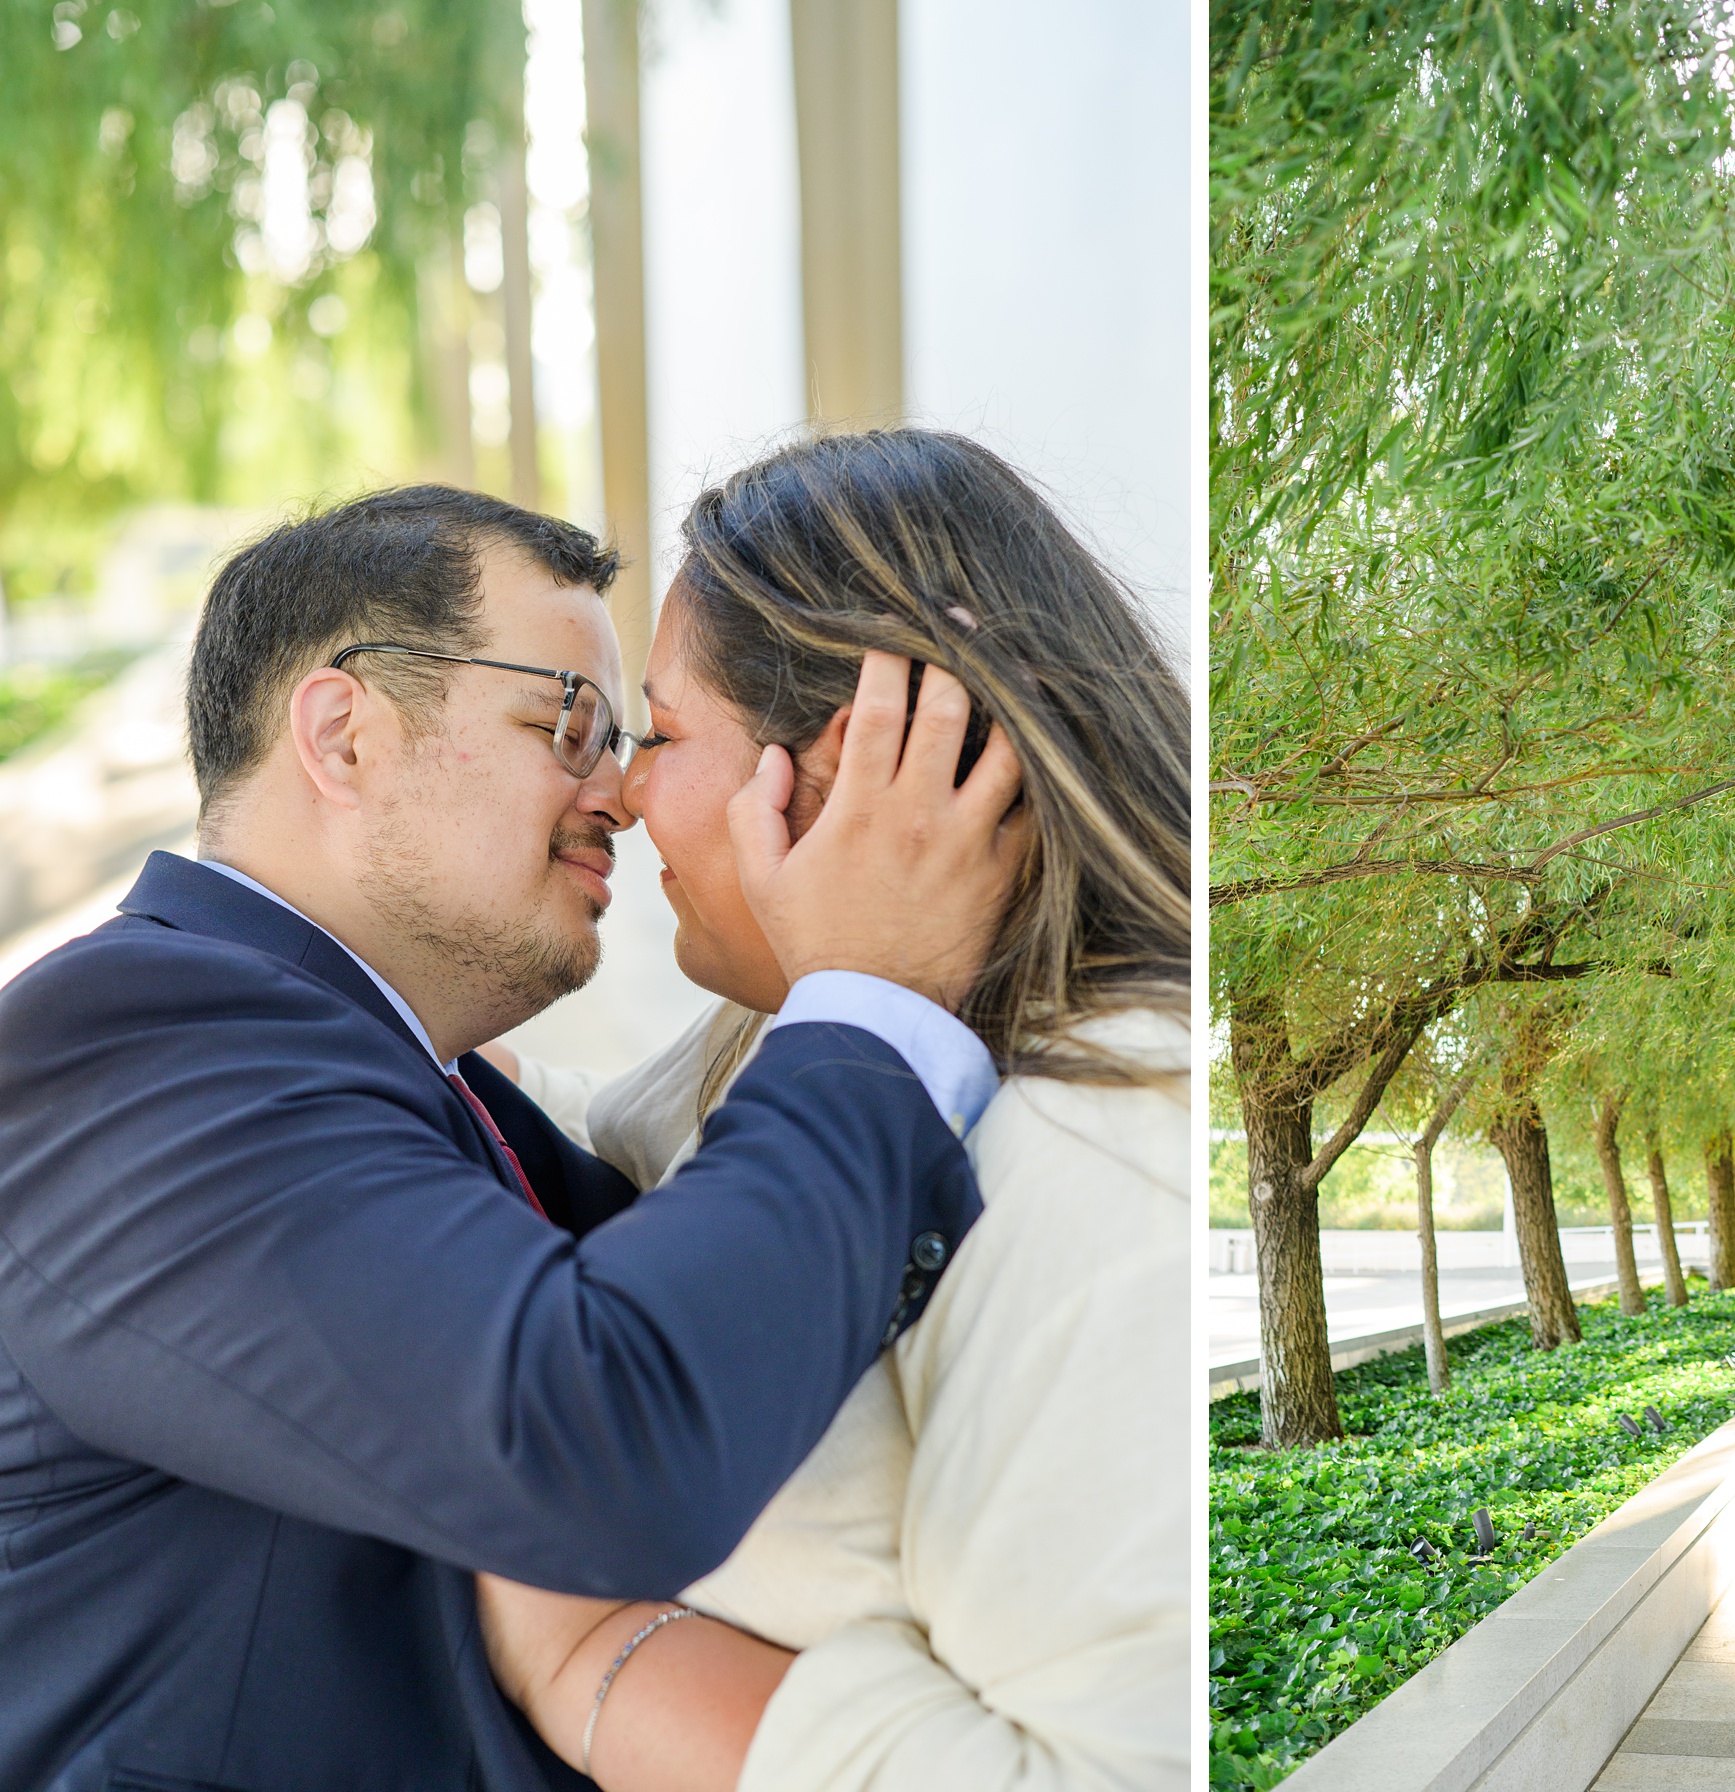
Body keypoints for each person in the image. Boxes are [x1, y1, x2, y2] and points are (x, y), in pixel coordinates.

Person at [0, 485, 1025, 1791]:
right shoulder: (121, 1046)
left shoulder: (382, 1072)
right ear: (343, 733)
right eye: (570, 723)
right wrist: (870, 1002)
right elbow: (606, 1434)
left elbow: (725, 1301)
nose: (623, 793)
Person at [469, 430, 1190, 1791]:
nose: (620, 793)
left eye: (665, 736)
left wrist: (582, 1647)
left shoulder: (1107, 1139)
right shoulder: (822, 1021)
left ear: (862, 763)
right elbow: (607, 1150)